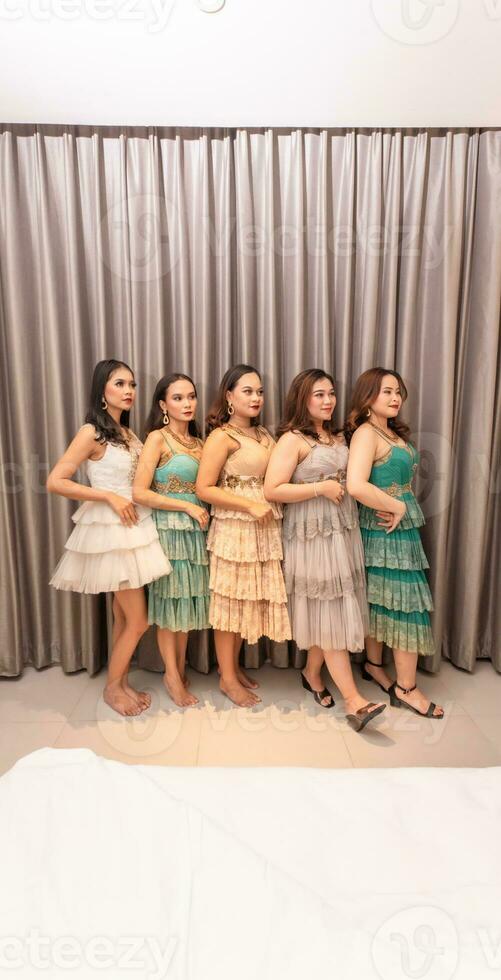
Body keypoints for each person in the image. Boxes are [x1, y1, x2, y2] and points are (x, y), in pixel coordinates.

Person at [47, 359, 171, 716]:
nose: (129, 391)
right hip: (111, 531)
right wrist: (108, 496)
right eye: (120, 384)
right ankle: (113, 689)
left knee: (122, 616)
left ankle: (118, 682)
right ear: (102, 390)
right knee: (138, 620)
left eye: (132, 384)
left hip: (135, 526)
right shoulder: (92, 432)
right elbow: (56, 480)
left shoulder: (130, 434)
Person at [264, 369, 386, 732]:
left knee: (330, 609)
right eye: (319, 394)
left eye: (331, 393)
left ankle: (311, 673)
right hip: (311, 536)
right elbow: (273, 489)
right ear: (302, 398)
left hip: (341, 531)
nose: (328, 400)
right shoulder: (292, 440)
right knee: (328, 609)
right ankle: (355, 702)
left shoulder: (337, 436)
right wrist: (319, 489)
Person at [346, 367, 444, 719]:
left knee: (385, 602)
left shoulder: (391, 432)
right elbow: (355, 485)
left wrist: (400, 508)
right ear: (368, 396)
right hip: (382, 528)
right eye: (387, 391)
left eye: (398, 391)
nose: (395, 397)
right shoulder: (365, 434)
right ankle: (406, 688)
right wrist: (397, 506)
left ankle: (374, 666)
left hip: (398, 527)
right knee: (402, 605)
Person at [196, 364, 291, 708]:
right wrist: (248, 506)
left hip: (264, 527)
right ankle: (226, 678)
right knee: (230, 602)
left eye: (260, 391)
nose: (256, 397)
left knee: (245, 601)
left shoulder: (265, 434)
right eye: (248, 391)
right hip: (235, 527)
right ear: (229, 396)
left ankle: (232, 669)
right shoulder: (222, 436)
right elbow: (204, 488)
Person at [133, 373, 210, 708]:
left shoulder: (201, 442)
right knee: (170, 604)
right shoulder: (157, 439)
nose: (187, 403)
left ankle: (178, 668)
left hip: (197, 533)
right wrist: (185, 506)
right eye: (178, 398)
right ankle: (172, 676)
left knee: (187, 603)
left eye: (191, 396)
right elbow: (139, 492)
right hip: (169, 531)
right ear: (163, 405)